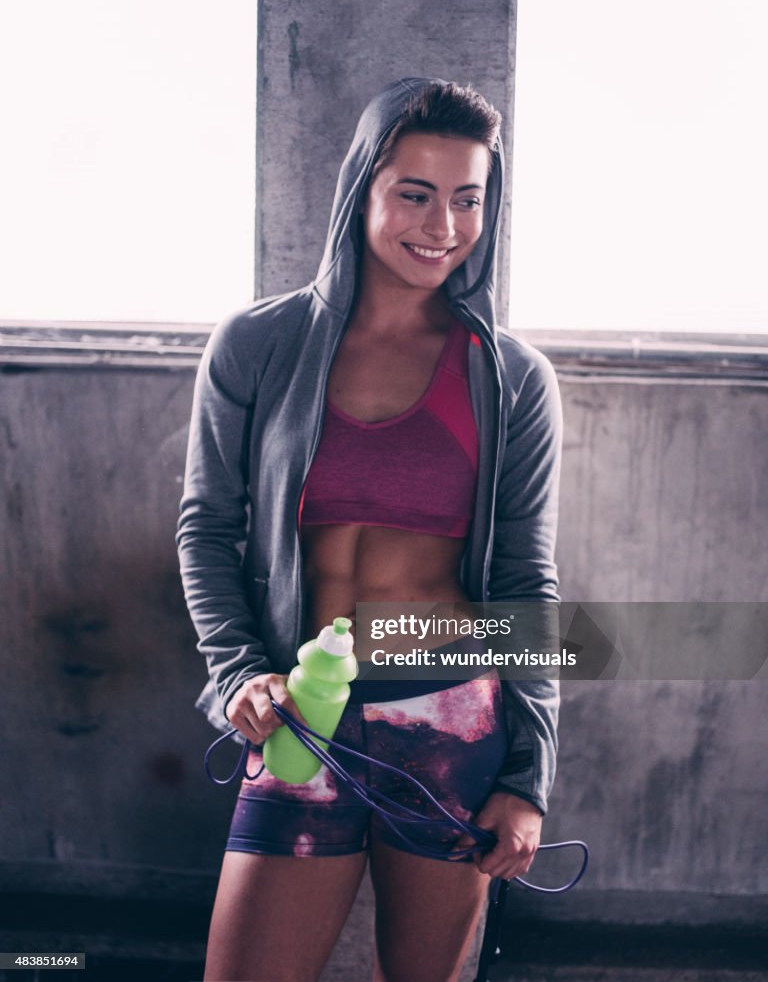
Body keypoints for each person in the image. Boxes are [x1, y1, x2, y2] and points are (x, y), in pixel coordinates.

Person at [176, 76, 562, 982]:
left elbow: (525, 582)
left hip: (454, 718)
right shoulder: (257, 344)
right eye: (415, 194)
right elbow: (206, 527)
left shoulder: (511, 377)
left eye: (468, 199)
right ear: (363, 190)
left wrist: (527, 774)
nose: (443, 225)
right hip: (304, 717)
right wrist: (235, 671)